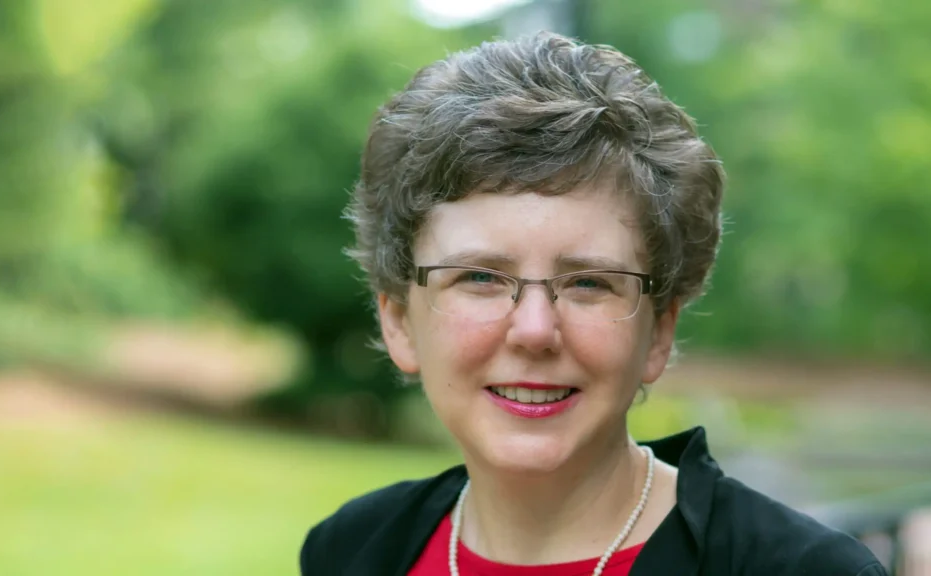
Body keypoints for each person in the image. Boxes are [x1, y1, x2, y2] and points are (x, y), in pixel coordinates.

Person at [300, 32, 886, 576]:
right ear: (399, 320)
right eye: (480, 276)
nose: (534, 330)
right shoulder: (352, 551)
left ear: (659, 332)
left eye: (589, 283)